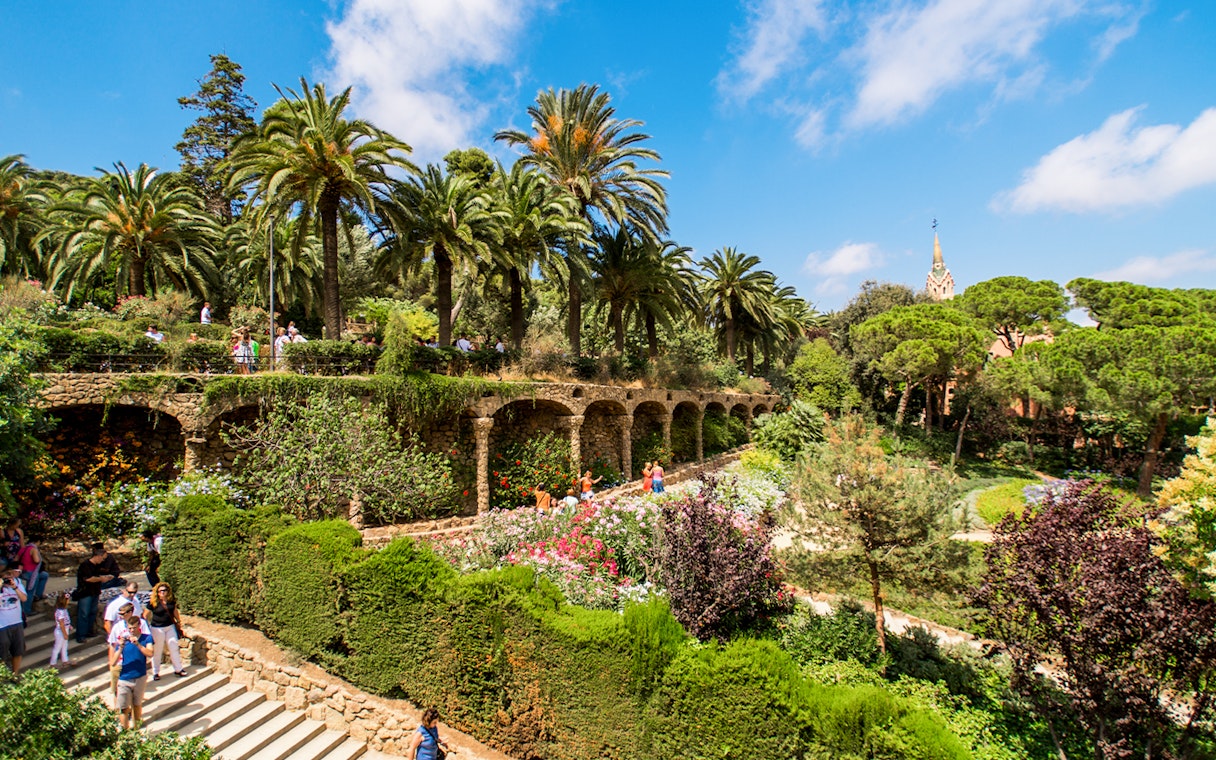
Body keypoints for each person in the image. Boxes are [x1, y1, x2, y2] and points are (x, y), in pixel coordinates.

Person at [111, 612, 153, 729]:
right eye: (130, 628)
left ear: (139, 626)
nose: (132, 630)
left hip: (140, 677)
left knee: (137, 705)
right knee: (123, 707)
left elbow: (150, 653)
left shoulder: (146, 638)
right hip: (125, 678)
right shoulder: (124, 640)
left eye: (134, 628)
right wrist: (120, 648)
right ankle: (124, 731)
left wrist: (138, 644)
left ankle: (136, 729)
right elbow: (113, 662)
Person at [75, 543, 122, 643]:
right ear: (98, 556)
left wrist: (105, 578)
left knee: (92, 612)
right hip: (85, 593)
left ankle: (89, 631)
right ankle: (81, 635)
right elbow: (88, 579)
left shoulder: (96, 566)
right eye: (103, 558)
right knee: (84, 614)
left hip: (95, 592)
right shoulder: (85, 565)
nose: (103, 561)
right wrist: (102, 579)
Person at [143, 582, 186, 680]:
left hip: (169, 626)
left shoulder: (171, 601)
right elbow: (145, 615)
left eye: (164, 590)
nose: (162, 592)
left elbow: (174, 611)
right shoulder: (153, 603)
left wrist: (178, 621)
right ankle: (155, 672)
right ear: (157, 592)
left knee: (173, 646)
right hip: (157, 628)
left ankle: (178, 669)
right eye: (160, 591)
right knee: (157, 650)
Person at [107, 601, 151, 698]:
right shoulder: (117, 627)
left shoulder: (141, 624)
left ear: (130, 612)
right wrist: (112, 662)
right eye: (119, 614)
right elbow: (112, 644)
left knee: (133, 694)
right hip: (119, 663)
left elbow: (146, 641)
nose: (120, 616)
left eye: (123, 614)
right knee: (117, 693)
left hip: (134, 662)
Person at [0, 561, 27, 676]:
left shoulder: (17, 583)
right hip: (2, 625)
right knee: (2, 653)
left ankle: (15, 675)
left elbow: (24, 598)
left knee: (18, 650)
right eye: (6, 575)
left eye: (10, 574)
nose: (9, 577)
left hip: (17, 622)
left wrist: (15, 587)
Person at [15, 540, 48, 615]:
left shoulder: (23, 548)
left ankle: (38, 595)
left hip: (23, 571)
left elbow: (16, 559)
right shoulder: (33, 549)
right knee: (30, 591)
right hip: (32, 572)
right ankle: (26, 610)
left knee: (44, 575)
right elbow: (36, 560)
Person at [49, 592, 73, 668]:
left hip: (65, 629)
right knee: (57, 647)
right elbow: (61, 623)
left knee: (64, 646)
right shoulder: (61, 612)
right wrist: (65, 634)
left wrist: (69, 626)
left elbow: (65, 621)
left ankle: (65, 660)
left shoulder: (64, 610)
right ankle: (53, 663)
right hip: (61, 631)